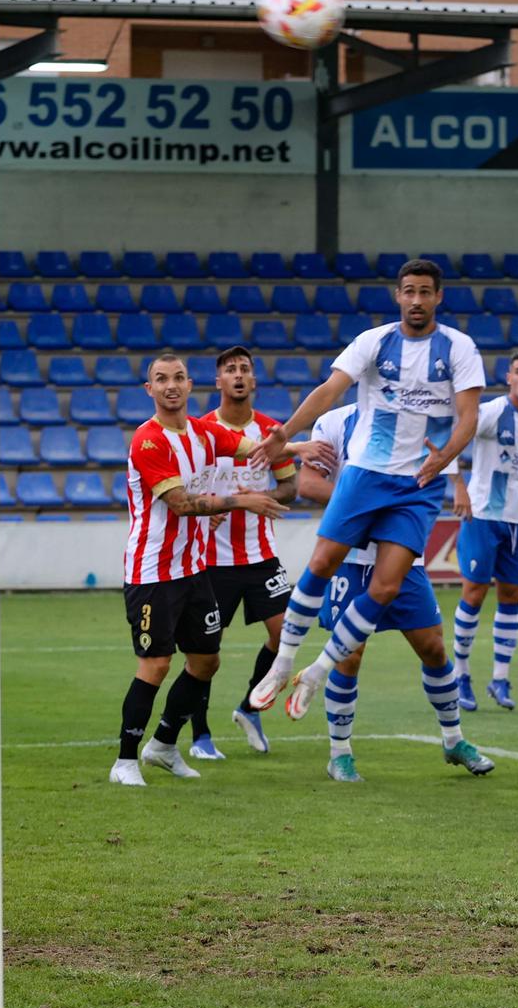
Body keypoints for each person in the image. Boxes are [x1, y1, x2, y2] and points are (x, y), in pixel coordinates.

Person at [249, 260, 490, 784]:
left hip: (411, 494)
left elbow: (468, 419)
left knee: (430, 645)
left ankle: (452, 740)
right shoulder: (344, 406)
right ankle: (328, 732)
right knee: (348, 643)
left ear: (438, 297)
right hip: (362, 506)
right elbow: (321, 415)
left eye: (426, 292)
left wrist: (444, 461)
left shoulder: (459, 351)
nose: (418, 300)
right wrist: (281, 433)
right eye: (410, 292)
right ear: (398, 297)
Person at [111, 353, 288, 786]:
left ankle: (165, 744)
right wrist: (244, 500)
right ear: (148, 389)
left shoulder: (205, 433)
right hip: (153, 573)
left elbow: (257, 448)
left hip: (194, 570)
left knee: (206, 661)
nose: (170, 385)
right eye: (160, 379)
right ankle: (125, 760)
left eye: (177, 378)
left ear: (190, 385)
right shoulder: (148, 441)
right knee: (155, 664)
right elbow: (181, 504)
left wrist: (293, 443)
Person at [299, 404, 492, 781]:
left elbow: (433, 477)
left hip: (403, 558)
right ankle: (340, 753)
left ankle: (453, 740)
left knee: (434, 648)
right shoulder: (335, 420)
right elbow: (307, 483)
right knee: (349, 655)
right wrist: (362, 504)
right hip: (351, 557)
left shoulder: (420, 419)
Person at [184, 346, 299, 760]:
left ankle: (250, 707)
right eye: (229, 369)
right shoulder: (200, 432)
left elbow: (290, 486)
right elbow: (185, 491)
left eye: (244, 369)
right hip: (210, 560)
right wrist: (211, 506)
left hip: (260, 555)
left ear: (253, 381)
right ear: (218, 382)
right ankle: (200, 736)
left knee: (285, 633)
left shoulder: (270, 432)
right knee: (205, 650)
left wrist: (264, 495)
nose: (237, 375)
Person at [451, 352, 518, 713]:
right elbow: (454, 440)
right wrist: (459, 487)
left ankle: (500, 677)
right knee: (474, 592)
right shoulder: (492, 413)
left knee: (511, 594)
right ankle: (461, 674)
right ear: (508, 377)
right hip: (482, 516)